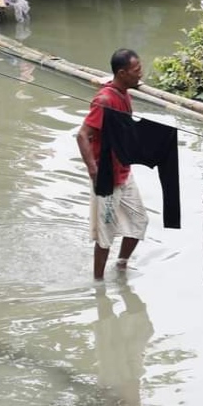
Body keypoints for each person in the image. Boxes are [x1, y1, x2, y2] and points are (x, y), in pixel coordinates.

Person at [77, 48, 147, 280]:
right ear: (122, 72)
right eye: (136, 71)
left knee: (139, 222)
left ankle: (121, 266)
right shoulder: (104, 100)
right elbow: (82, 135)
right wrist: (94, 171)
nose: (141, 74)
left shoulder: (124, 93)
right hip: (107, 176)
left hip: (124, 172)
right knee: (105, 235)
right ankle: (98, 282)